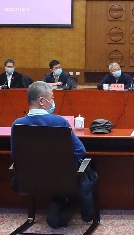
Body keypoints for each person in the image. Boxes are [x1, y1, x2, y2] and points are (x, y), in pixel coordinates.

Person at [12, 81, 95, 227]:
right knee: (90, 170)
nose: (53, 102)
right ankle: (74, 207)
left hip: (32, 179)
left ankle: (59, 205)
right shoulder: (59, 121)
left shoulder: (17, 124)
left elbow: (16, 157)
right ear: (42, 101)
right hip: (63, 179)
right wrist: (62, 165)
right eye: (52, 98)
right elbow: (80, 151)